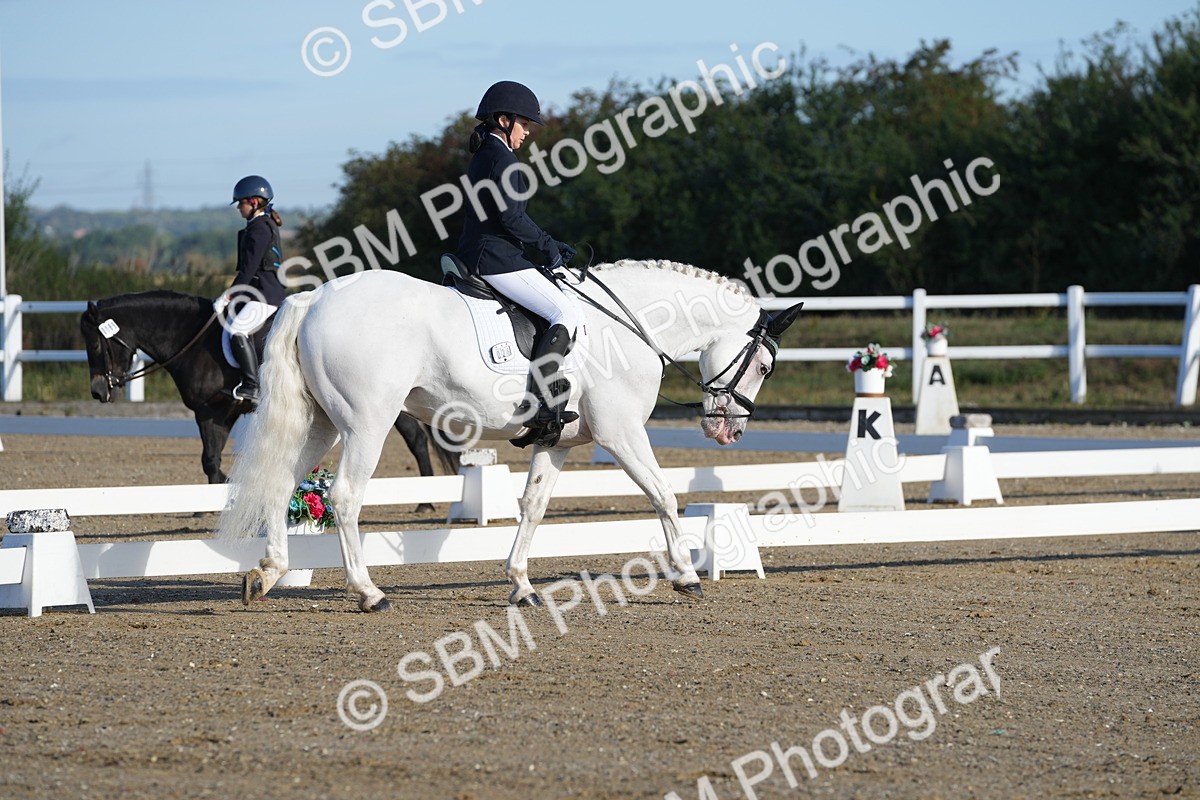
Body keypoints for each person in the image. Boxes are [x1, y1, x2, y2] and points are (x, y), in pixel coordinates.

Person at [455, 80, 585, 448]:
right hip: (497, 259)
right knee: (566, 311)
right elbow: (511, 218)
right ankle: (541, 404)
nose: (527, 132)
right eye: (524, 124)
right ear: (503, 120)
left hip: (476, 252)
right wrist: (548, 245)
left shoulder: (483, 156)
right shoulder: (504, 160)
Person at [215, 175, 285, 410]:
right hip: (260, 291)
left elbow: (249, 268)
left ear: (254, 202)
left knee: (238, 329)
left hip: (265, 294)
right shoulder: (260, 225)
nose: (238, 208)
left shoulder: (260, 228)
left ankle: (251, 385)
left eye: (241, 203)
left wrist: (229, 295)